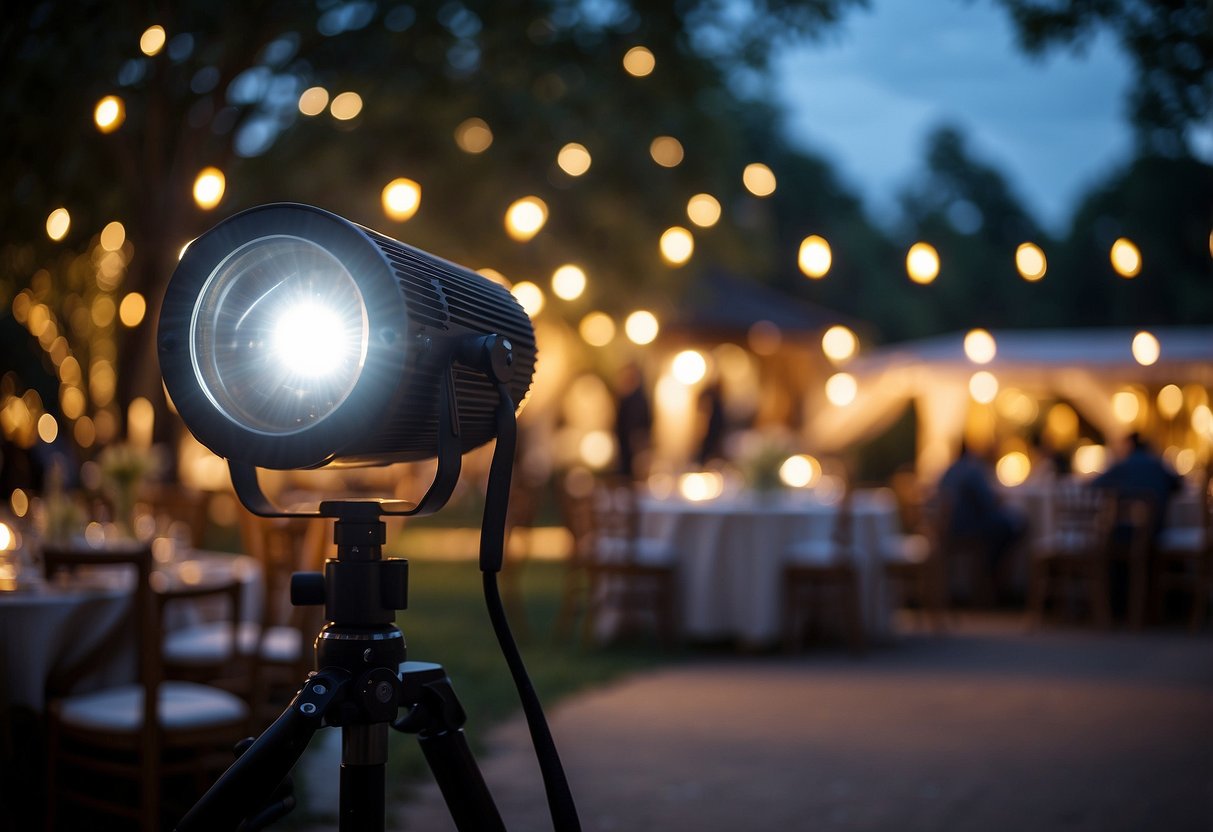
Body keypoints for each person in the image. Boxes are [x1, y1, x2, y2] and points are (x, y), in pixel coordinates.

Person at [936, 442, 1027, 602]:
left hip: (950, 531)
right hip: (969, 530)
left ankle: (991, 582)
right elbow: (987, 503)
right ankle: (998, 585)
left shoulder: (947, 472)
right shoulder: (973, 470)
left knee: (1003, 526)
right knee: (1014, 526)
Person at [1093, 432, 1182, 544]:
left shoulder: (1123, 466)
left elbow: (1096, 484)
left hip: (1125, 533)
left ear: (1130, 444)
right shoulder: (1158, 465)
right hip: (1156, 531)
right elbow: (1178, 484)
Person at [613, 363, 652, 482]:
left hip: (635, 446)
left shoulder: (638, 399)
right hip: (624, 447)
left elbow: (643, 423)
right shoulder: (623, 398)